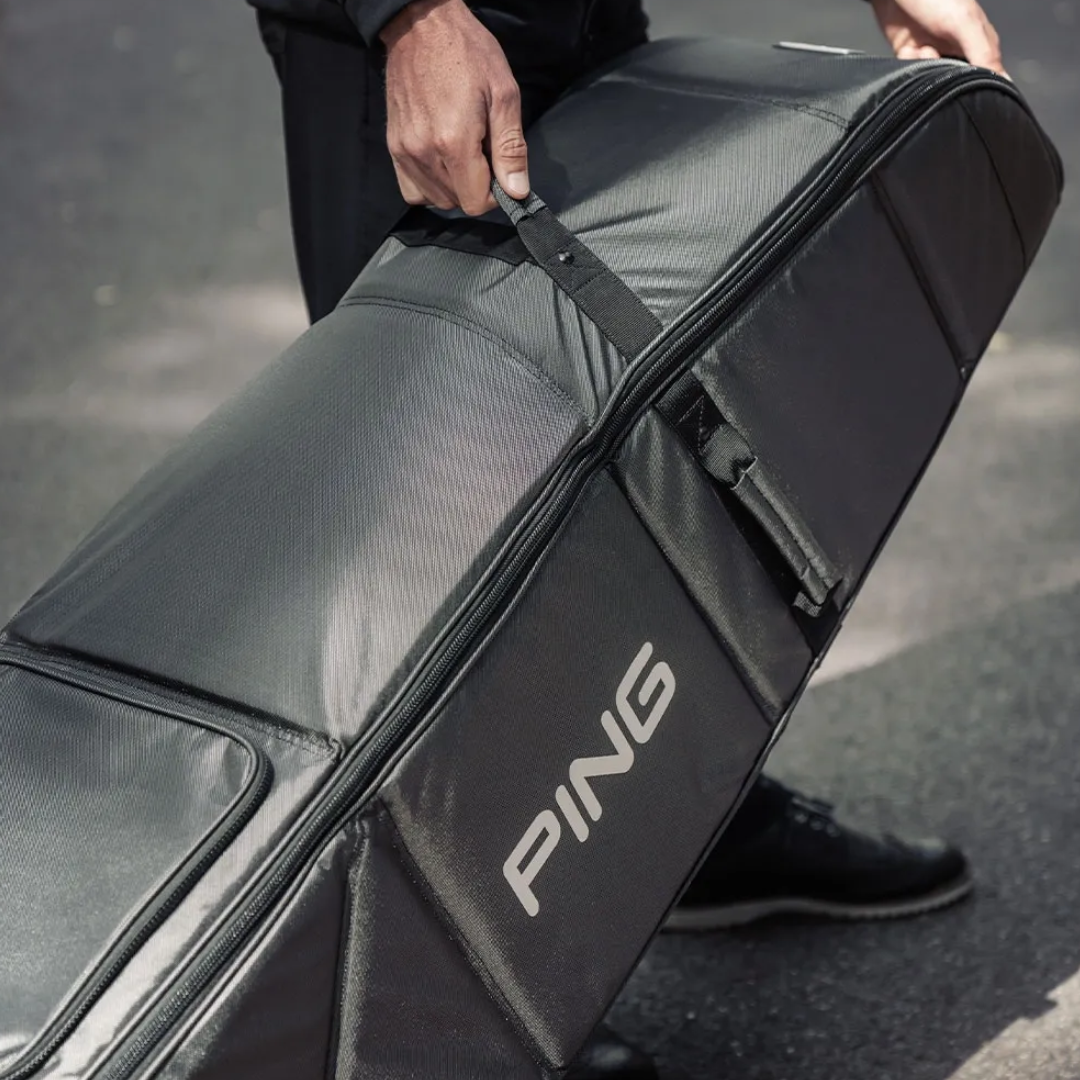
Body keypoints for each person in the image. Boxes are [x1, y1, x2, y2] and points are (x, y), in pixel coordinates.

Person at [245, 1, 1006, 1075]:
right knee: (446, 502)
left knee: (643, 450)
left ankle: (687, 822)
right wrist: (408, 17)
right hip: (415, 37)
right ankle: (469, 974)